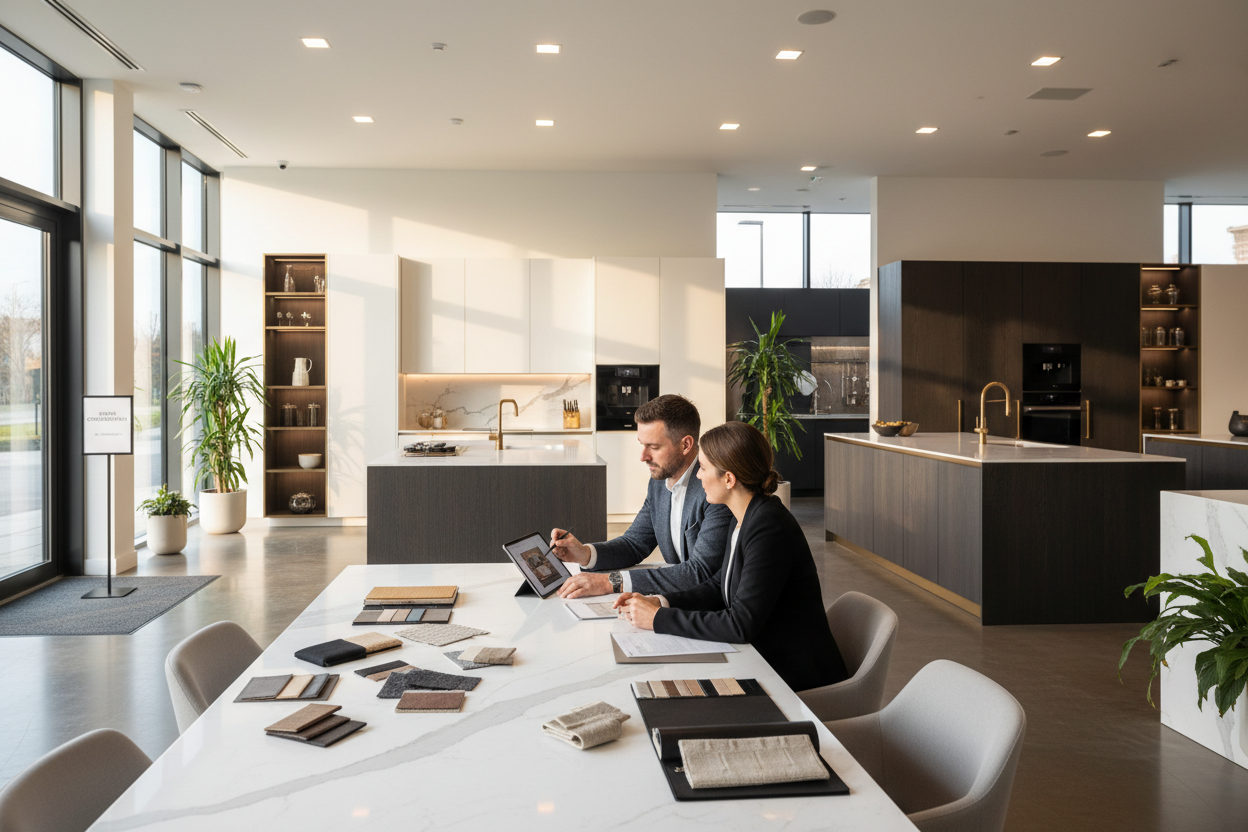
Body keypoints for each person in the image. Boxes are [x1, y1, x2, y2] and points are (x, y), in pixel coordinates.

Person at [614, 421, 849, 692]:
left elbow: (739, 624)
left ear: (729, 479)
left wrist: (657, 619)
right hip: (763, 660)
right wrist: (660, 602)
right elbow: (718, 586)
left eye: (702, 468)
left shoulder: (769, 527)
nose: (698, 477)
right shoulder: (744, 516)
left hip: (794, 678)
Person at [551, 394, 732, 599]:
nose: (643, 456)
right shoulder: (659, 482)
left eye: (654, 447)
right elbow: (634, 544)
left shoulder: (715, 487)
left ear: (686, 445)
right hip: (680, 598)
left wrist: (612, 581)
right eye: (642, 444)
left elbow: (700, 572)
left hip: (713, 606)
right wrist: (585, 554)